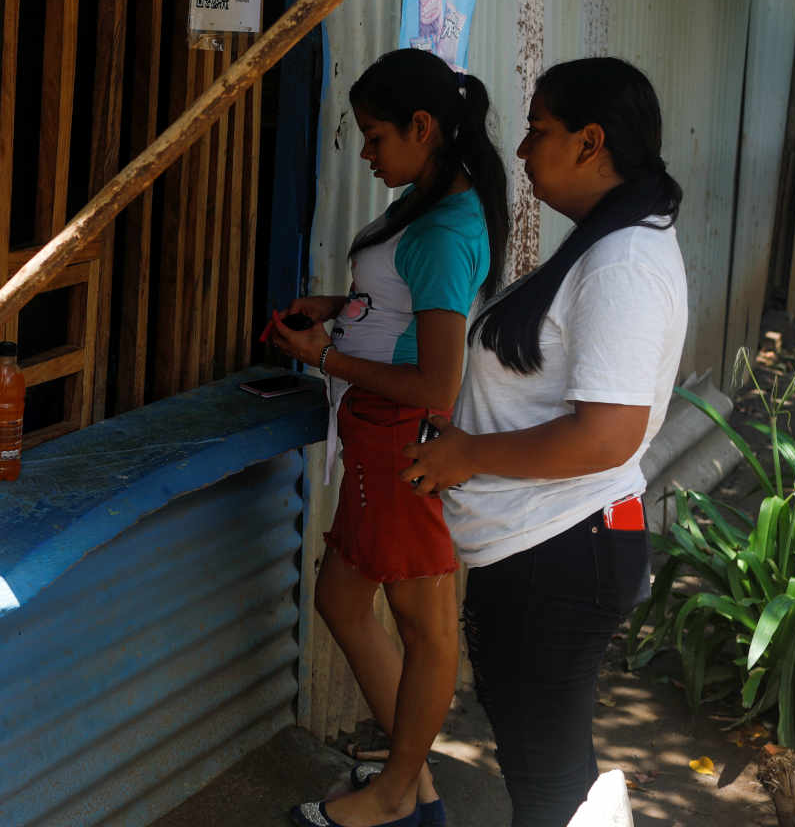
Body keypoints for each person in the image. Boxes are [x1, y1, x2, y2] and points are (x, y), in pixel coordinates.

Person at [403, 57, 687, 827]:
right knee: (546, 767)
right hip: (550, 548)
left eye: (539, 131)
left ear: (591, 142)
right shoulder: (610, 241)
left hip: (561, 554)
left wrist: (468, 455)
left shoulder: (623, 262)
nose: (523, 151)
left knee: (549, 784)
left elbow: (609, 433)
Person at [266, 47, 509, 827]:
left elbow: (438, 383)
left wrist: (325, 356)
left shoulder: (440, 230)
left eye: (375, 137)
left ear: (423, 127)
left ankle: (401, 793)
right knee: (342, 597)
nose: (365, 153)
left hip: (406, 440)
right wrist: (341, 305)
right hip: (374, 438)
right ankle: (413, 785)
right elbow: (401, 307)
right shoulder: (426, 207)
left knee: (426, 625)